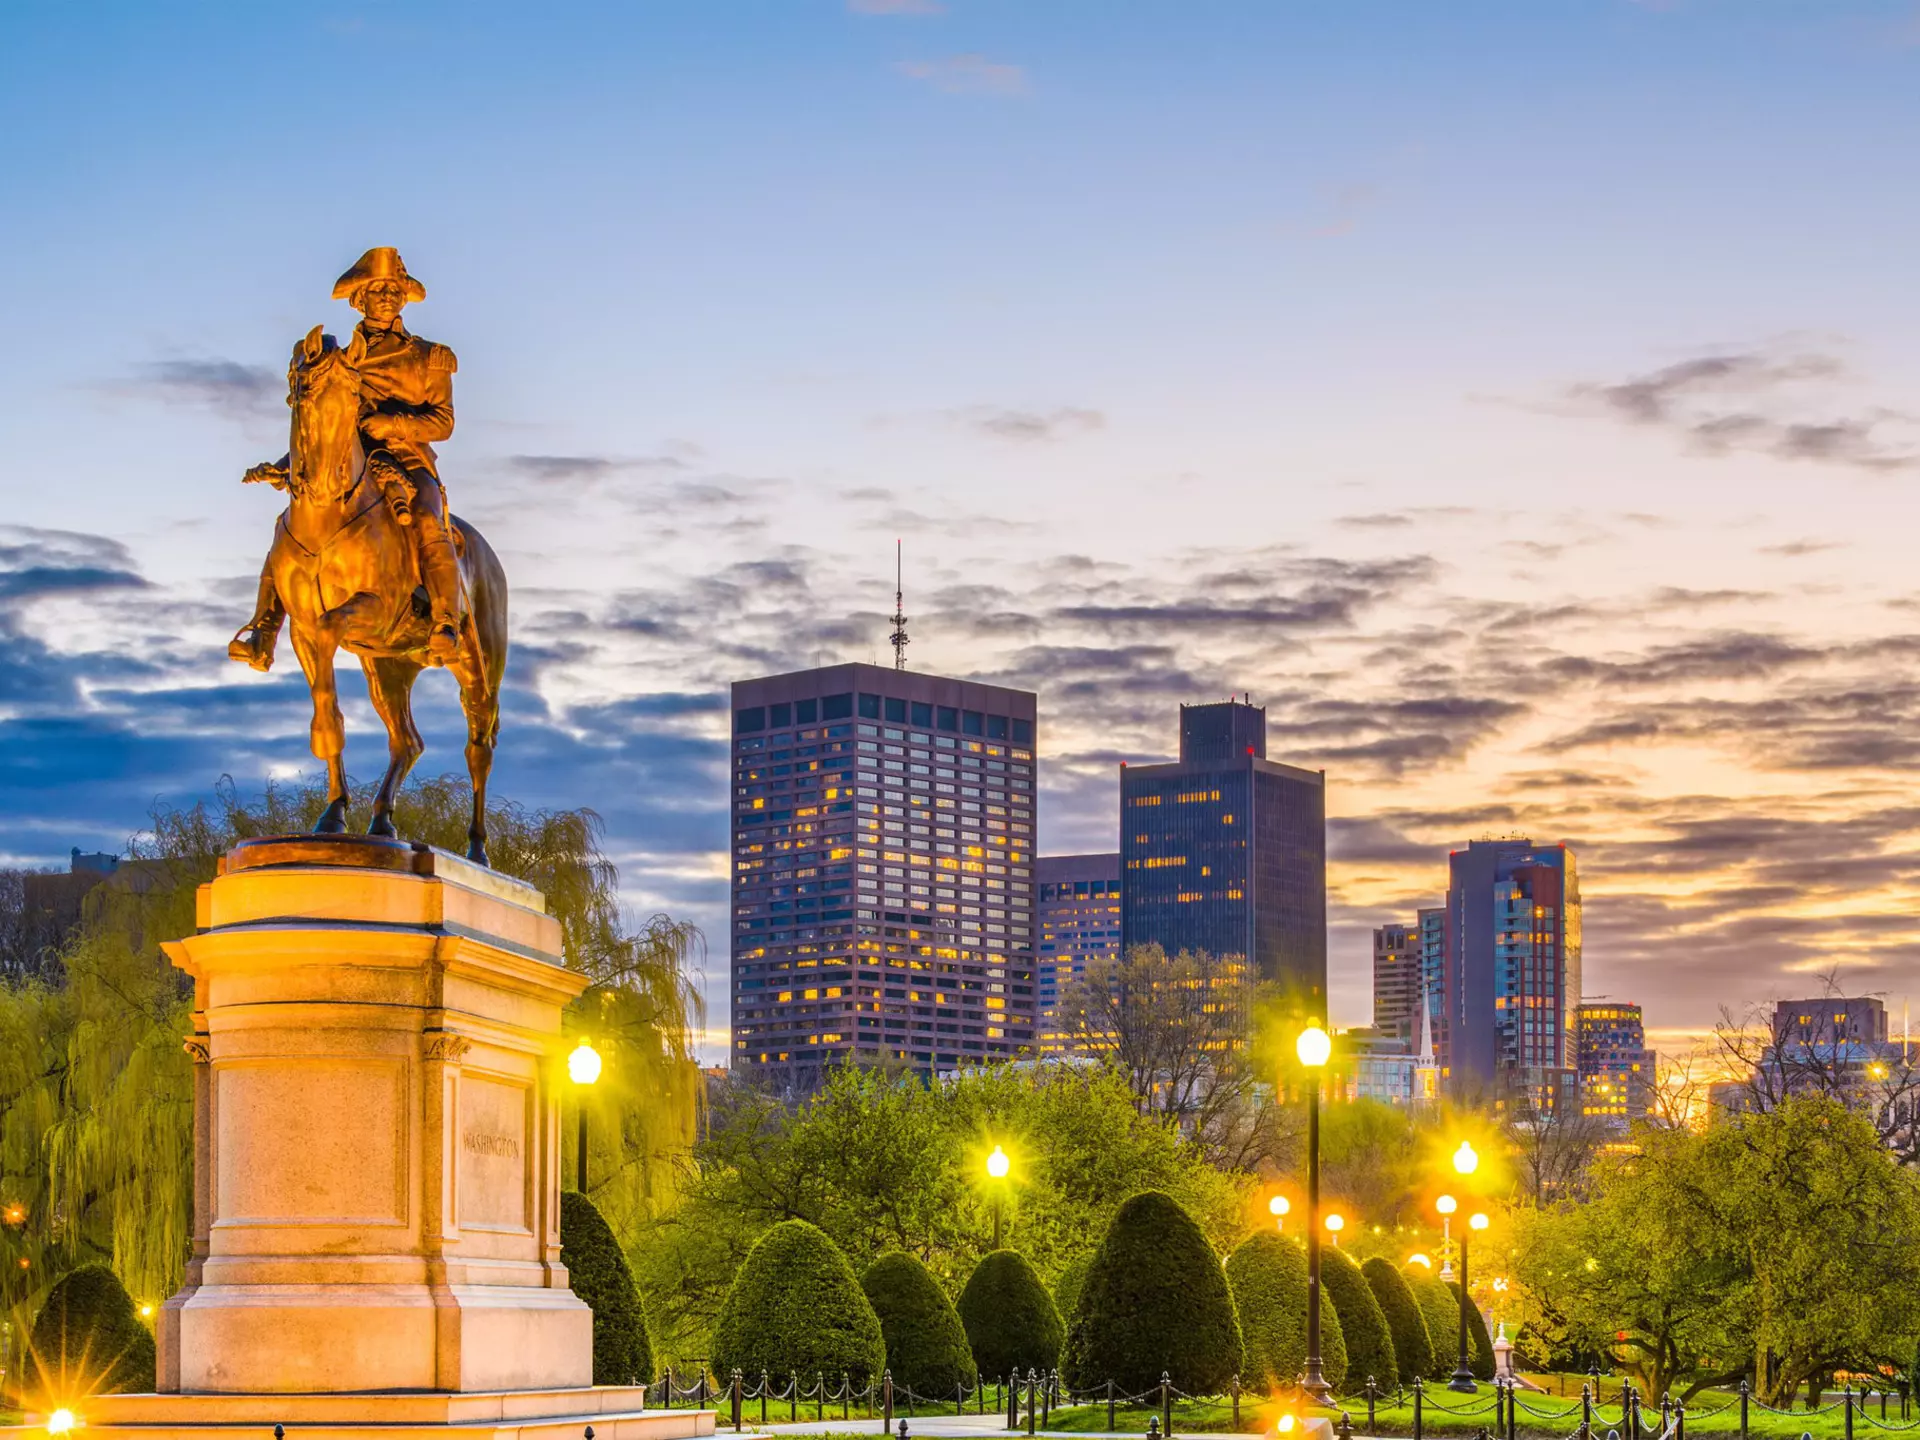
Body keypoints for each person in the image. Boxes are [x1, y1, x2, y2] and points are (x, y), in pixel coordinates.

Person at [229, 247, 463, 669]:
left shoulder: (430, 356)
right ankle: (263, 630)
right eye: (377, 289)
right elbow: (323, 419)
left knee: (428, 517)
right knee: (292, 523)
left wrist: (388, 425)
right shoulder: (339, 359)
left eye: (394, 289)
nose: (387, 296)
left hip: (408, 459)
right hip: (344, 460)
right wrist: (286, 463)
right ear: (360, 298)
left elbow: (442, 423)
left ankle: (446, 622)